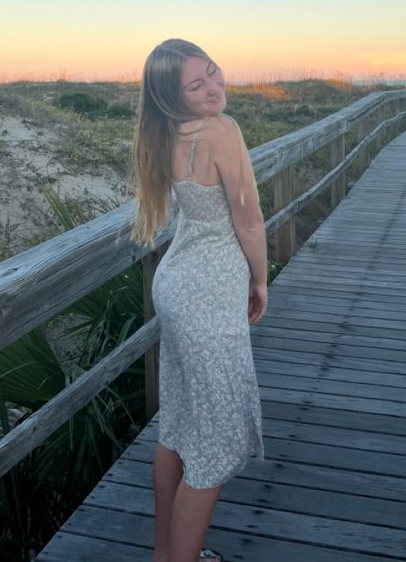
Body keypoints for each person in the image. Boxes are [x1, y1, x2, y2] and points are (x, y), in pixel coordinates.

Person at [131, 38, 268, 562]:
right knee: (213, 447)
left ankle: (165, 553)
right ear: (174, 95)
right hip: (210, 293)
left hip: (177, 285)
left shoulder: (162, 132)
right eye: (197, 84)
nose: (214, 88)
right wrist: (260, 281)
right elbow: (249, 218)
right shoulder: (221, 131)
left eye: (213, 73)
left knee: (180, 424)